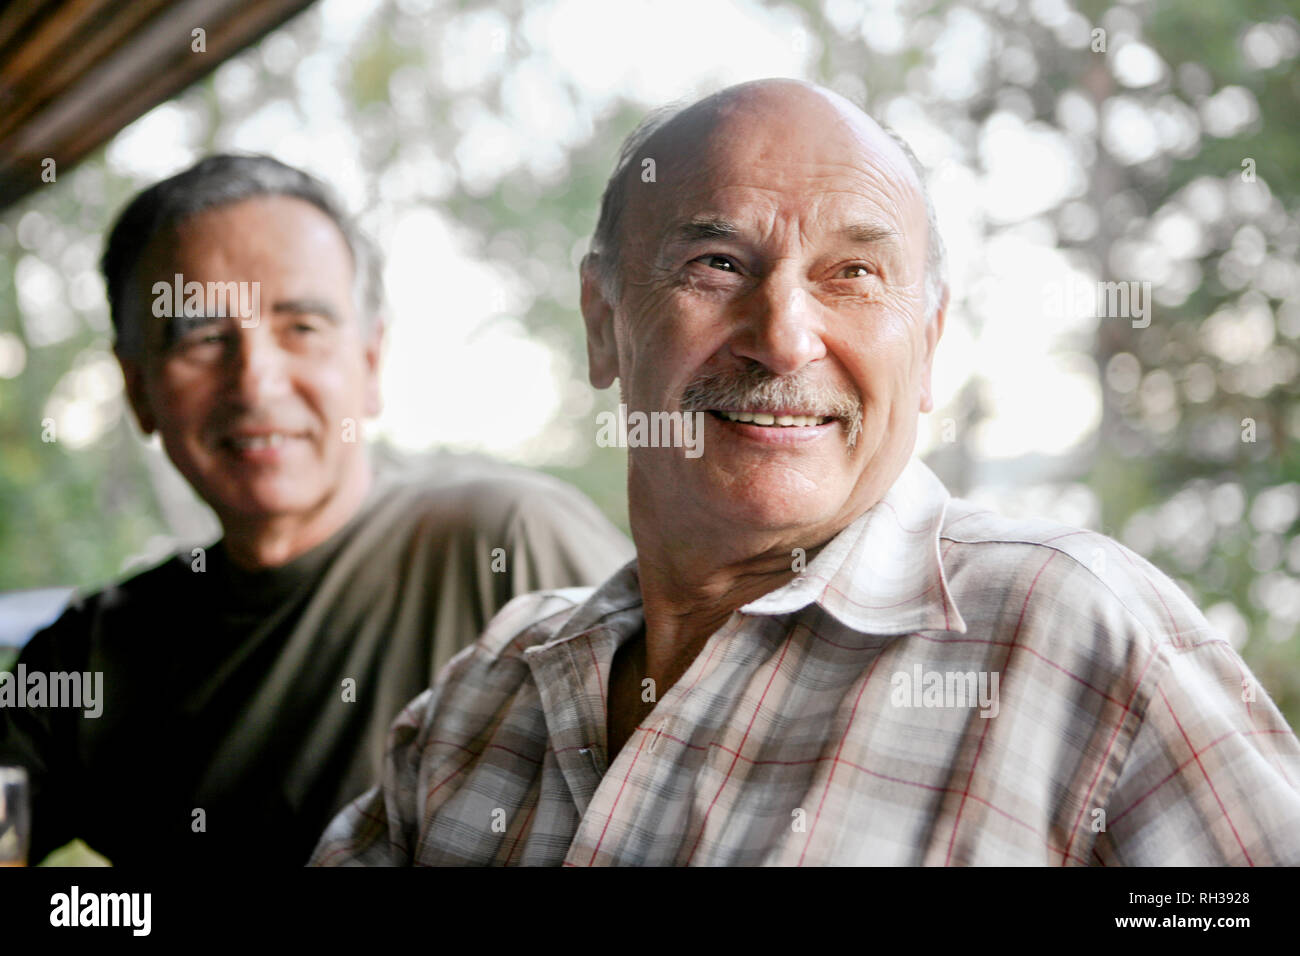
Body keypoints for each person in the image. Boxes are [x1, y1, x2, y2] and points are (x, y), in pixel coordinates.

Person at [310, 80, 1300, 866]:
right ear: (603, 320)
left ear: (929, 340)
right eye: (715, 262)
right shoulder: (489, 690)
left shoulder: (1075, 634)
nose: (783, 339)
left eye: (854, 274)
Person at [0, 154, 633, 867]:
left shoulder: (508, 544)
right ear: (138, 388)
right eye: (202, 337)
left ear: (369, 362)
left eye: (301, 326)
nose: (255, 381)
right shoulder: (89, 655)